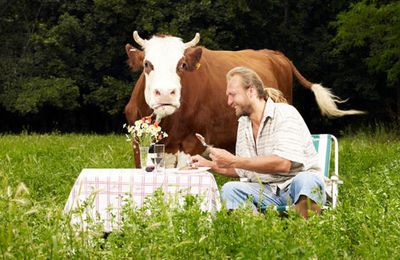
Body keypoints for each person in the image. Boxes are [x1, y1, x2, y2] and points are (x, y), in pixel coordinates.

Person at [191, 66, 325, 218]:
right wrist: (208, 165)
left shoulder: (284, 113)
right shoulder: (244, 123)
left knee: (306, 180)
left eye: (232, 95)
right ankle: (259, 236)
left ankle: (307, 234)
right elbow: (243, 170)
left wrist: (233, 160)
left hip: (295, 187)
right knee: (230, 189)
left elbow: (283, 164)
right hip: (266, 191)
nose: (228, 102)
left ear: (251, 91)